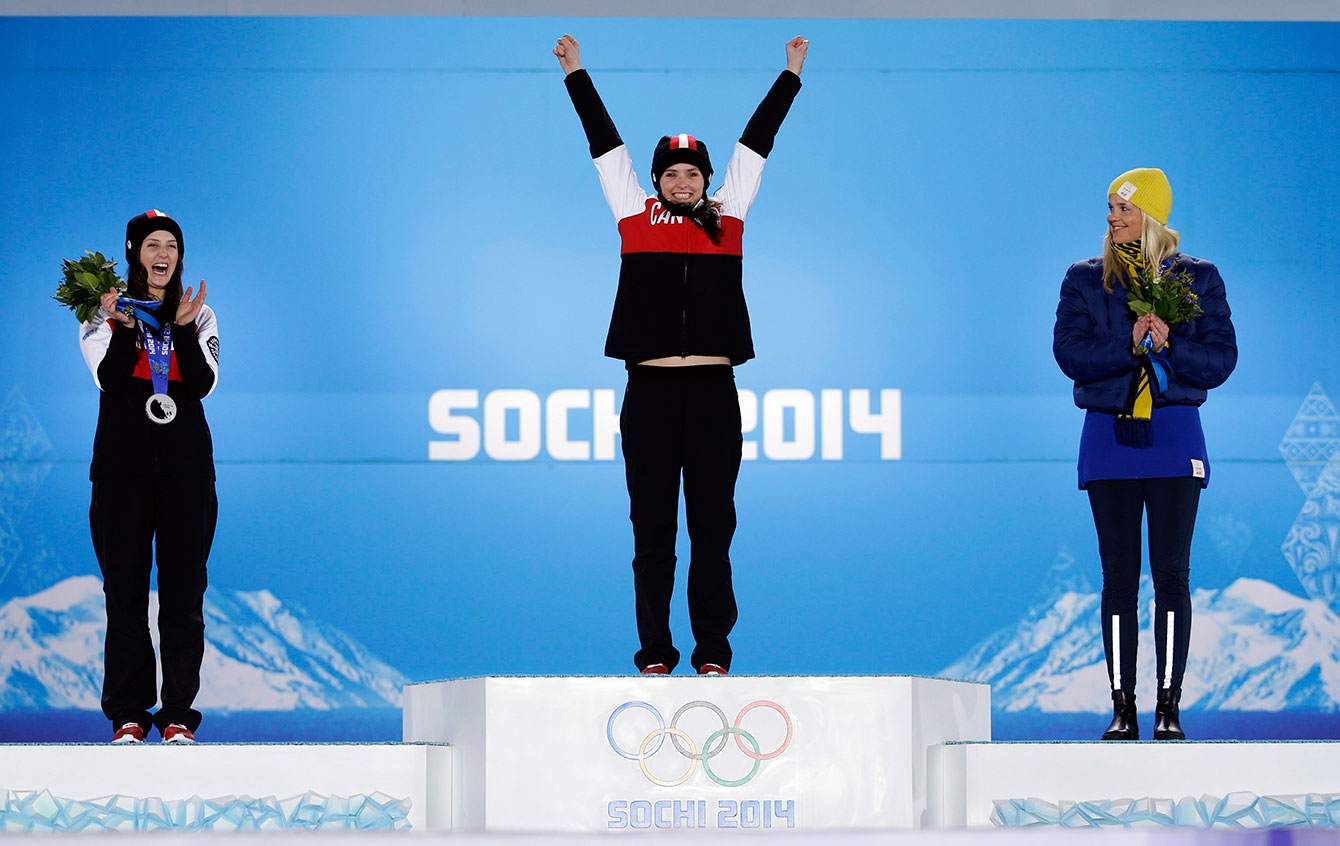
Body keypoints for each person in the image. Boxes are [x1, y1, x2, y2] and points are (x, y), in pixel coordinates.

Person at [554, 34, 807, 675]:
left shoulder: (731, 213)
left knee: (713, 530)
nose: (683, 181)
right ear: (657, 180)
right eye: (671, 172)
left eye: (693, 172)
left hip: (714, 395)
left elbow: (757, 144)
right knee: (652, 533)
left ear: (708, 180)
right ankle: (655, 653)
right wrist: (576, 74)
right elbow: (604, 146)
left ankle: (713, 652)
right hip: (651, 394)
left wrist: (790, 76)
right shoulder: (633, 214)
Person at [1053, 169, 1236, 740]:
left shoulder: (1199, 278)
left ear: (1150, 216)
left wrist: (1170, 344)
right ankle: (1122, 707)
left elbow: (1220, 361)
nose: (1112, 217)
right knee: (1118, 579)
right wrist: (1129, 345)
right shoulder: (1085, 278)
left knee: (1172, 576)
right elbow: (1070, 355)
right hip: (1109, 440)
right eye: (1110, 208)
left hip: (1174, 438)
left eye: (1123, 208)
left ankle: (1168, 707)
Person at [78, 210, 219, 743]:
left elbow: (203, 384)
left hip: (187, 474)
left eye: (172, 246)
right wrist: (122, 325)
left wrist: (181, 327)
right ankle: (129, 714)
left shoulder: (200, 315)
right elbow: (110, 380)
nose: (164, 254)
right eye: (153, 244)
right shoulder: (101, 314)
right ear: (134, 252)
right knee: (125, 595)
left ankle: (178, 714)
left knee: (184, 596)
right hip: (121, 474)